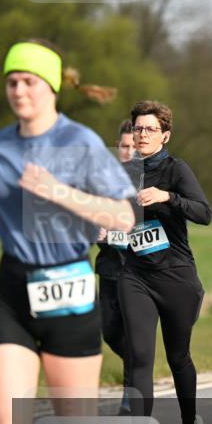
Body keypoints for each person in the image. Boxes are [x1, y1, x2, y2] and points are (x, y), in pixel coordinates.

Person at [0, 40, 136, 424]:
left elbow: (124, 217)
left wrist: (58, 191)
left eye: (29, 81)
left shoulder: (80, 144)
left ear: (51, 87)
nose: (19, 90)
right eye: (12, 81)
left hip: (69, 288)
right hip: (12, 291)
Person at [117, 100, 212, 424]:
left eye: (150, 129)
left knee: (178, 357)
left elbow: (204, 213)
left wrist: (168, 197)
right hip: (135, 275)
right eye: (137, 128)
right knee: (140, 356)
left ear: (165, 135)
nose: (142, 134)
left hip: (175, 275)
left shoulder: (177, 170)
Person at [96, 120, 135, 361]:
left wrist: (113, 235)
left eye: (135, 147)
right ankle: (138, 365)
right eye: (125, 146)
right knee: (110, 332)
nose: (129, 152)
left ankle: (135, 379)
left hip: (139, 270)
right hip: (109, 268)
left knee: (133, 331)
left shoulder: (150, 183)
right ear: (117, 147)